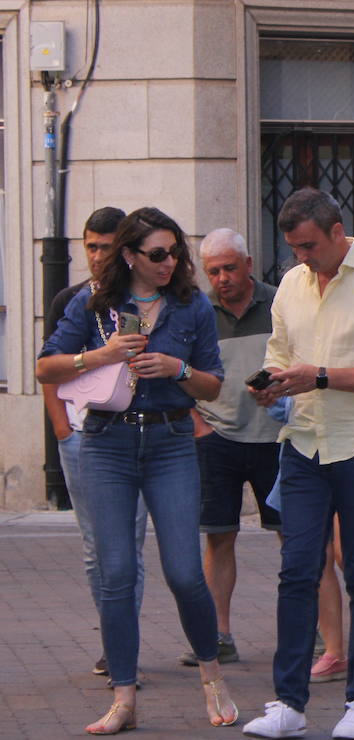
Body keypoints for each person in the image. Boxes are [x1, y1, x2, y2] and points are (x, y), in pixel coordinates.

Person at [37, 207, 236, 734]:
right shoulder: (92, 303)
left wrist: (179, 369)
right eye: (156, 254)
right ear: (129, 255)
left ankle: (212, 675)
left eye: (174, 252)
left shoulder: (191, 306)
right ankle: (123, 697)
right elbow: (45, 367)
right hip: (107, 443)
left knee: (185, 572)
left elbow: (213, 384)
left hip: (171, 441)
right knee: (116, 573)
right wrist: (98, 357)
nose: (169, 262)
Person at [242, 189, 354, 740]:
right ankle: (288, 703)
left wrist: (320, 375)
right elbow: (277, 353)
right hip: (302, 442)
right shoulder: (292, 285)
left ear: (338, 231)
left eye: (310, 246)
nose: (302, 257)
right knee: (297, 570)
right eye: (294, 248)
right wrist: (270, 386)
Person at [40, 206, 145, 681]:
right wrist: (62, 430)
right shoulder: (71, 299)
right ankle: (112, 636)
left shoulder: (145, 299)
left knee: (129, 546)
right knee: (94, 548)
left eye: (107, 246)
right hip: (82, 435)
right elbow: (49, 366)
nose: (98, 256)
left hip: (136, 433)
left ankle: (123, 646)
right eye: (91, 246)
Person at [182, 228, 279, 668]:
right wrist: (197, 423)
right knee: (218, 537)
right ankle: (218, 635)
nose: (221, 278)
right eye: (212, 271)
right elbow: (174, 374)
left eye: (229, 268)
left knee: (295, 538)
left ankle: (315, 630)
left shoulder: (279, 303)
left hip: (276, 438)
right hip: (216, 438)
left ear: (249, 265)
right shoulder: (195, 312)